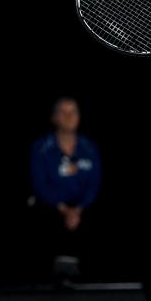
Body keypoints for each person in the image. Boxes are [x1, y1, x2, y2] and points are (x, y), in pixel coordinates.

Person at [28, 96, 102, 283]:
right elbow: (40, 184)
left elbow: (94, 183)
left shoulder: (89, 148)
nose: (69, 117)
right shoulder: (42, 148)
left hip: (81, 209)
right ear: (54, 118)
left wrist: (78, 209)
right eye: (64, 112)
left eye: (73, 112)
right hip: (53, 209)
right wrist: (63, 209)